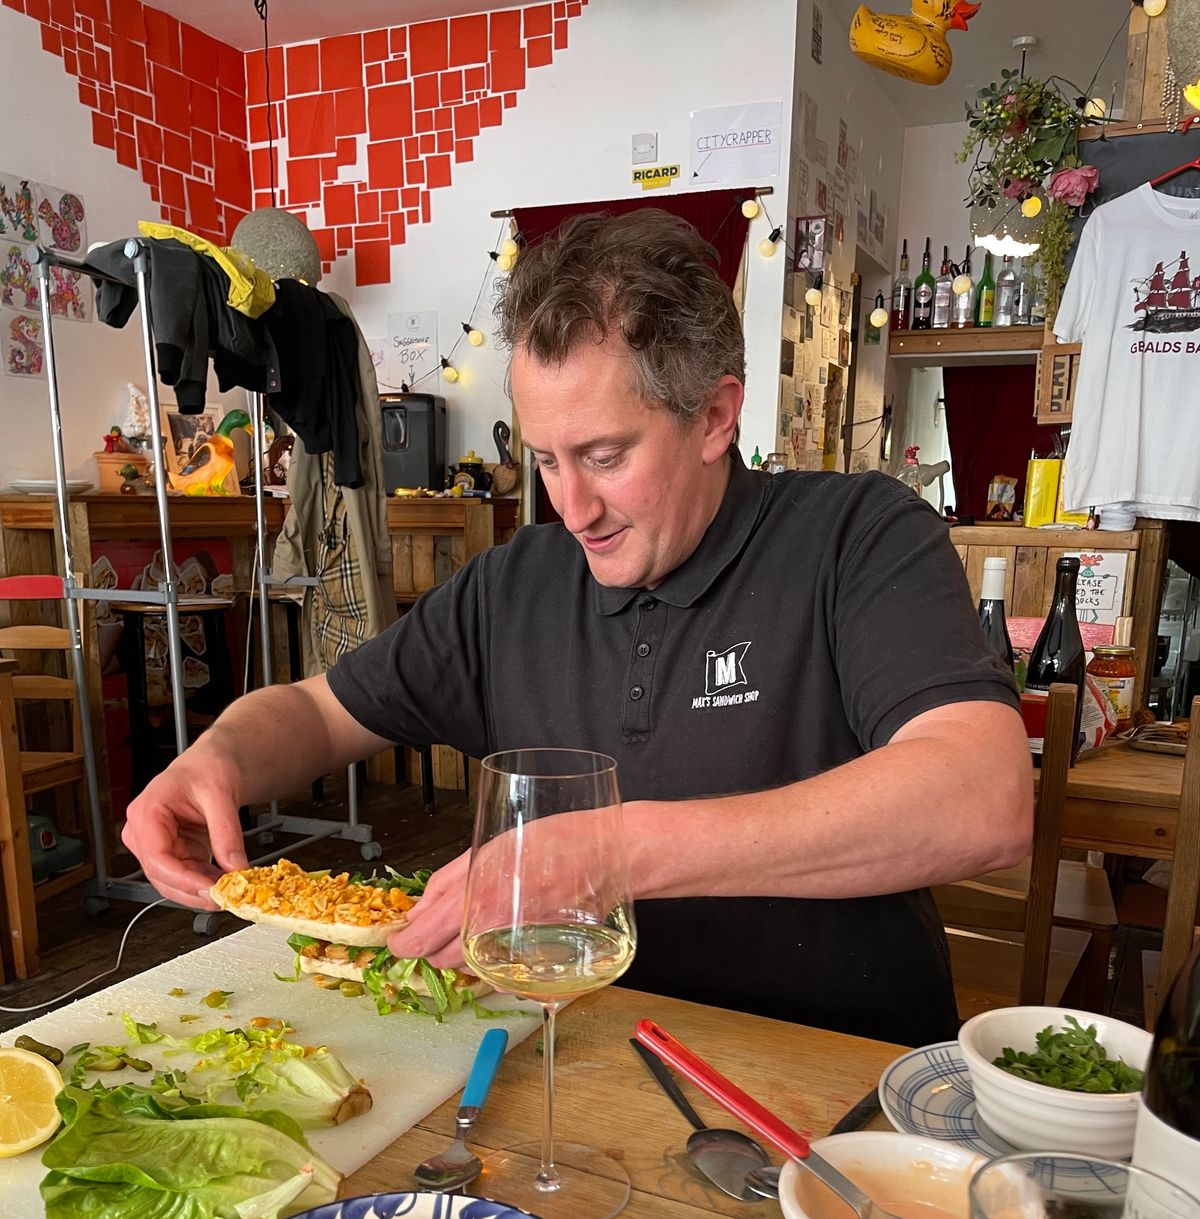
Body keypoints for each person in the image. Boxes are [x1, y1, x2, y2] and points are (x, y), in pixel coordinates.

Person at [122, 210, 1031, 1047]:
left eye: (605, 456)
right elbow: (321, 714)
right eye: (546, 458)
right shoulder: (514, 583)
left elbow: (984, 799)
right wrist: (217, 760)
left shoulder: (859, 535)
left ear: (715, 416)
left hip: (837, 1075)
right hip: (572, 1052)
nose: (572, 505)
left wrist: (612, 851)